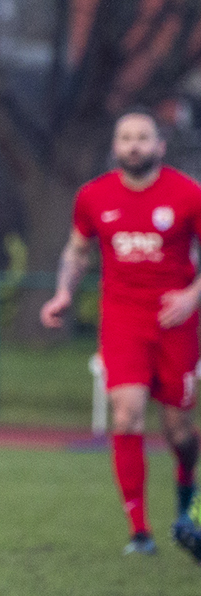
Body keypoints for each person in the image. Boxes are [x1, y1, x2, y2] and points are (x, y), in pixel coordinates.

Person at [42, 108, 201, 560]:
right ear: (115, 147)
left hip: (176, 324)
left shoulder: (187, 195)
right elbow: (76, 251)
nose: (134, 145)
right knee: (126, 414)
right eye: (126, 138)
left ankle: (186, 490)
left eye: (143, 137)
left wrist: (192, 296)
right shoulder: (93, 196)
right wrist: (62, 293)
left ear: (159, 146)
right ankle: (139, 531)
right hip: (123, 320)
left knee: (179, 432)